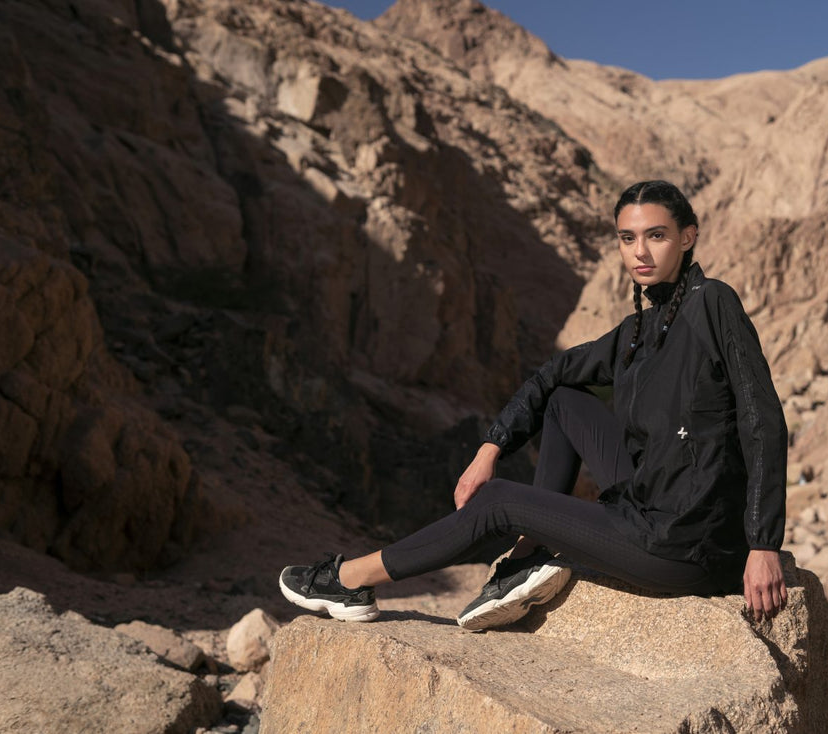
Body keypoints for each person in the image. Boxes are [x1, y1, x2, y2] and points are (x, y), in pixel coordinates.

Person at [279, 180, 789, 630]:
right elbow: (553, 375)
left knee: (500, 501)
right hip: (650, 500)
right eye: (627, 238)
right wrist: (489, 447)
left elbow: (761, 419)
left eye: (656, 235)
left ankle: (350, 580)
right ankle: (530, 553)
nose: (641, 252)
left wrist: (763, 546)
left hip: (684, 544)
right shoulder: (640, 328)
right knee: (565, 399)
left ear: (688, 236)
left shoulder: (712, 303)